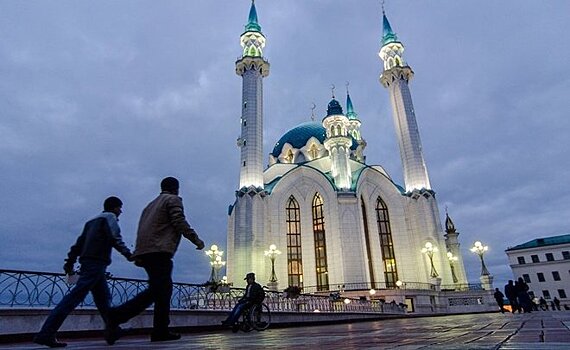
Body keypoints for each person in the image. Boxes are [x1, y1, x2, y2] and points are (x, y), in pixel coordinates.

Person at [106, 177, 205, 344]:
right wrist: (196, 239)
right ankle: (117, 316)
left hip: (146, 251)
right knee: (160, 290)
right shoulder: (172, 199)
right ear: (176, 189)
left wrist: (138, 252)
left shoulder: (151, 204)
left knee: (160, 290)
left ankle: (160, 330)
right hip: (159, 250)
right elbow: (178, 221)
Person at [34, 197, 132, 348]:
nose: (121, 211)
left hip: (89, 263)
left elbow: (78, 245)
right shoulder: (110, 218)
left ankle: (113, 331)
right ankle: (46, 333)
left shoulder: (91, 222)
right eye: (120, 207)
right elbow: (115, 238)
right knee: (73, 298)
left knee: (103, 300)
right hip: (96, 264)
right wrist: (129, 255)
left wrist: (69, 263)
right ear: (114, 207)